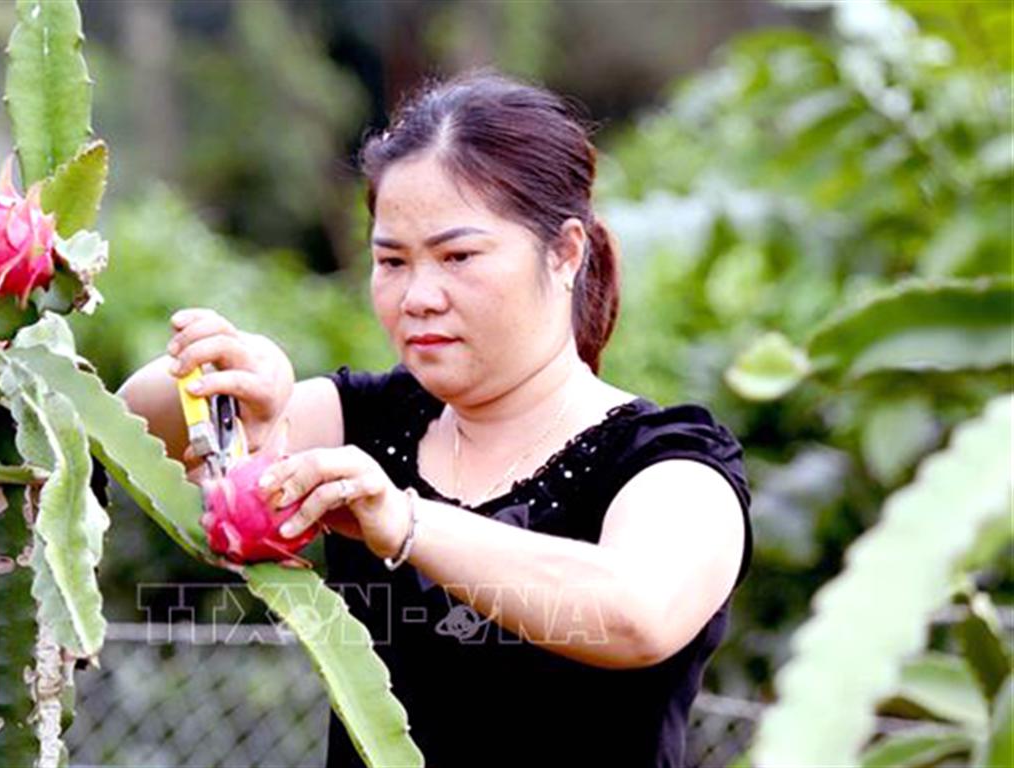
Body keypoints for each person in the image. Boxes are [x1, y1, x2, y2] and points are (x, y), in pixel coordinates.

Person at [120, 71, 753, 768]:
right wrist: (230, 382)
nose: (419, 296)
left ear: (565, 252)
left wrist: (408, 524)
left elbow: (639, 611)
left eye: (458, 256)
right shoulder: (370, 420)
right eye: (392, 260)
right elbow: (134, 424)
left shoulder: (669, 461)